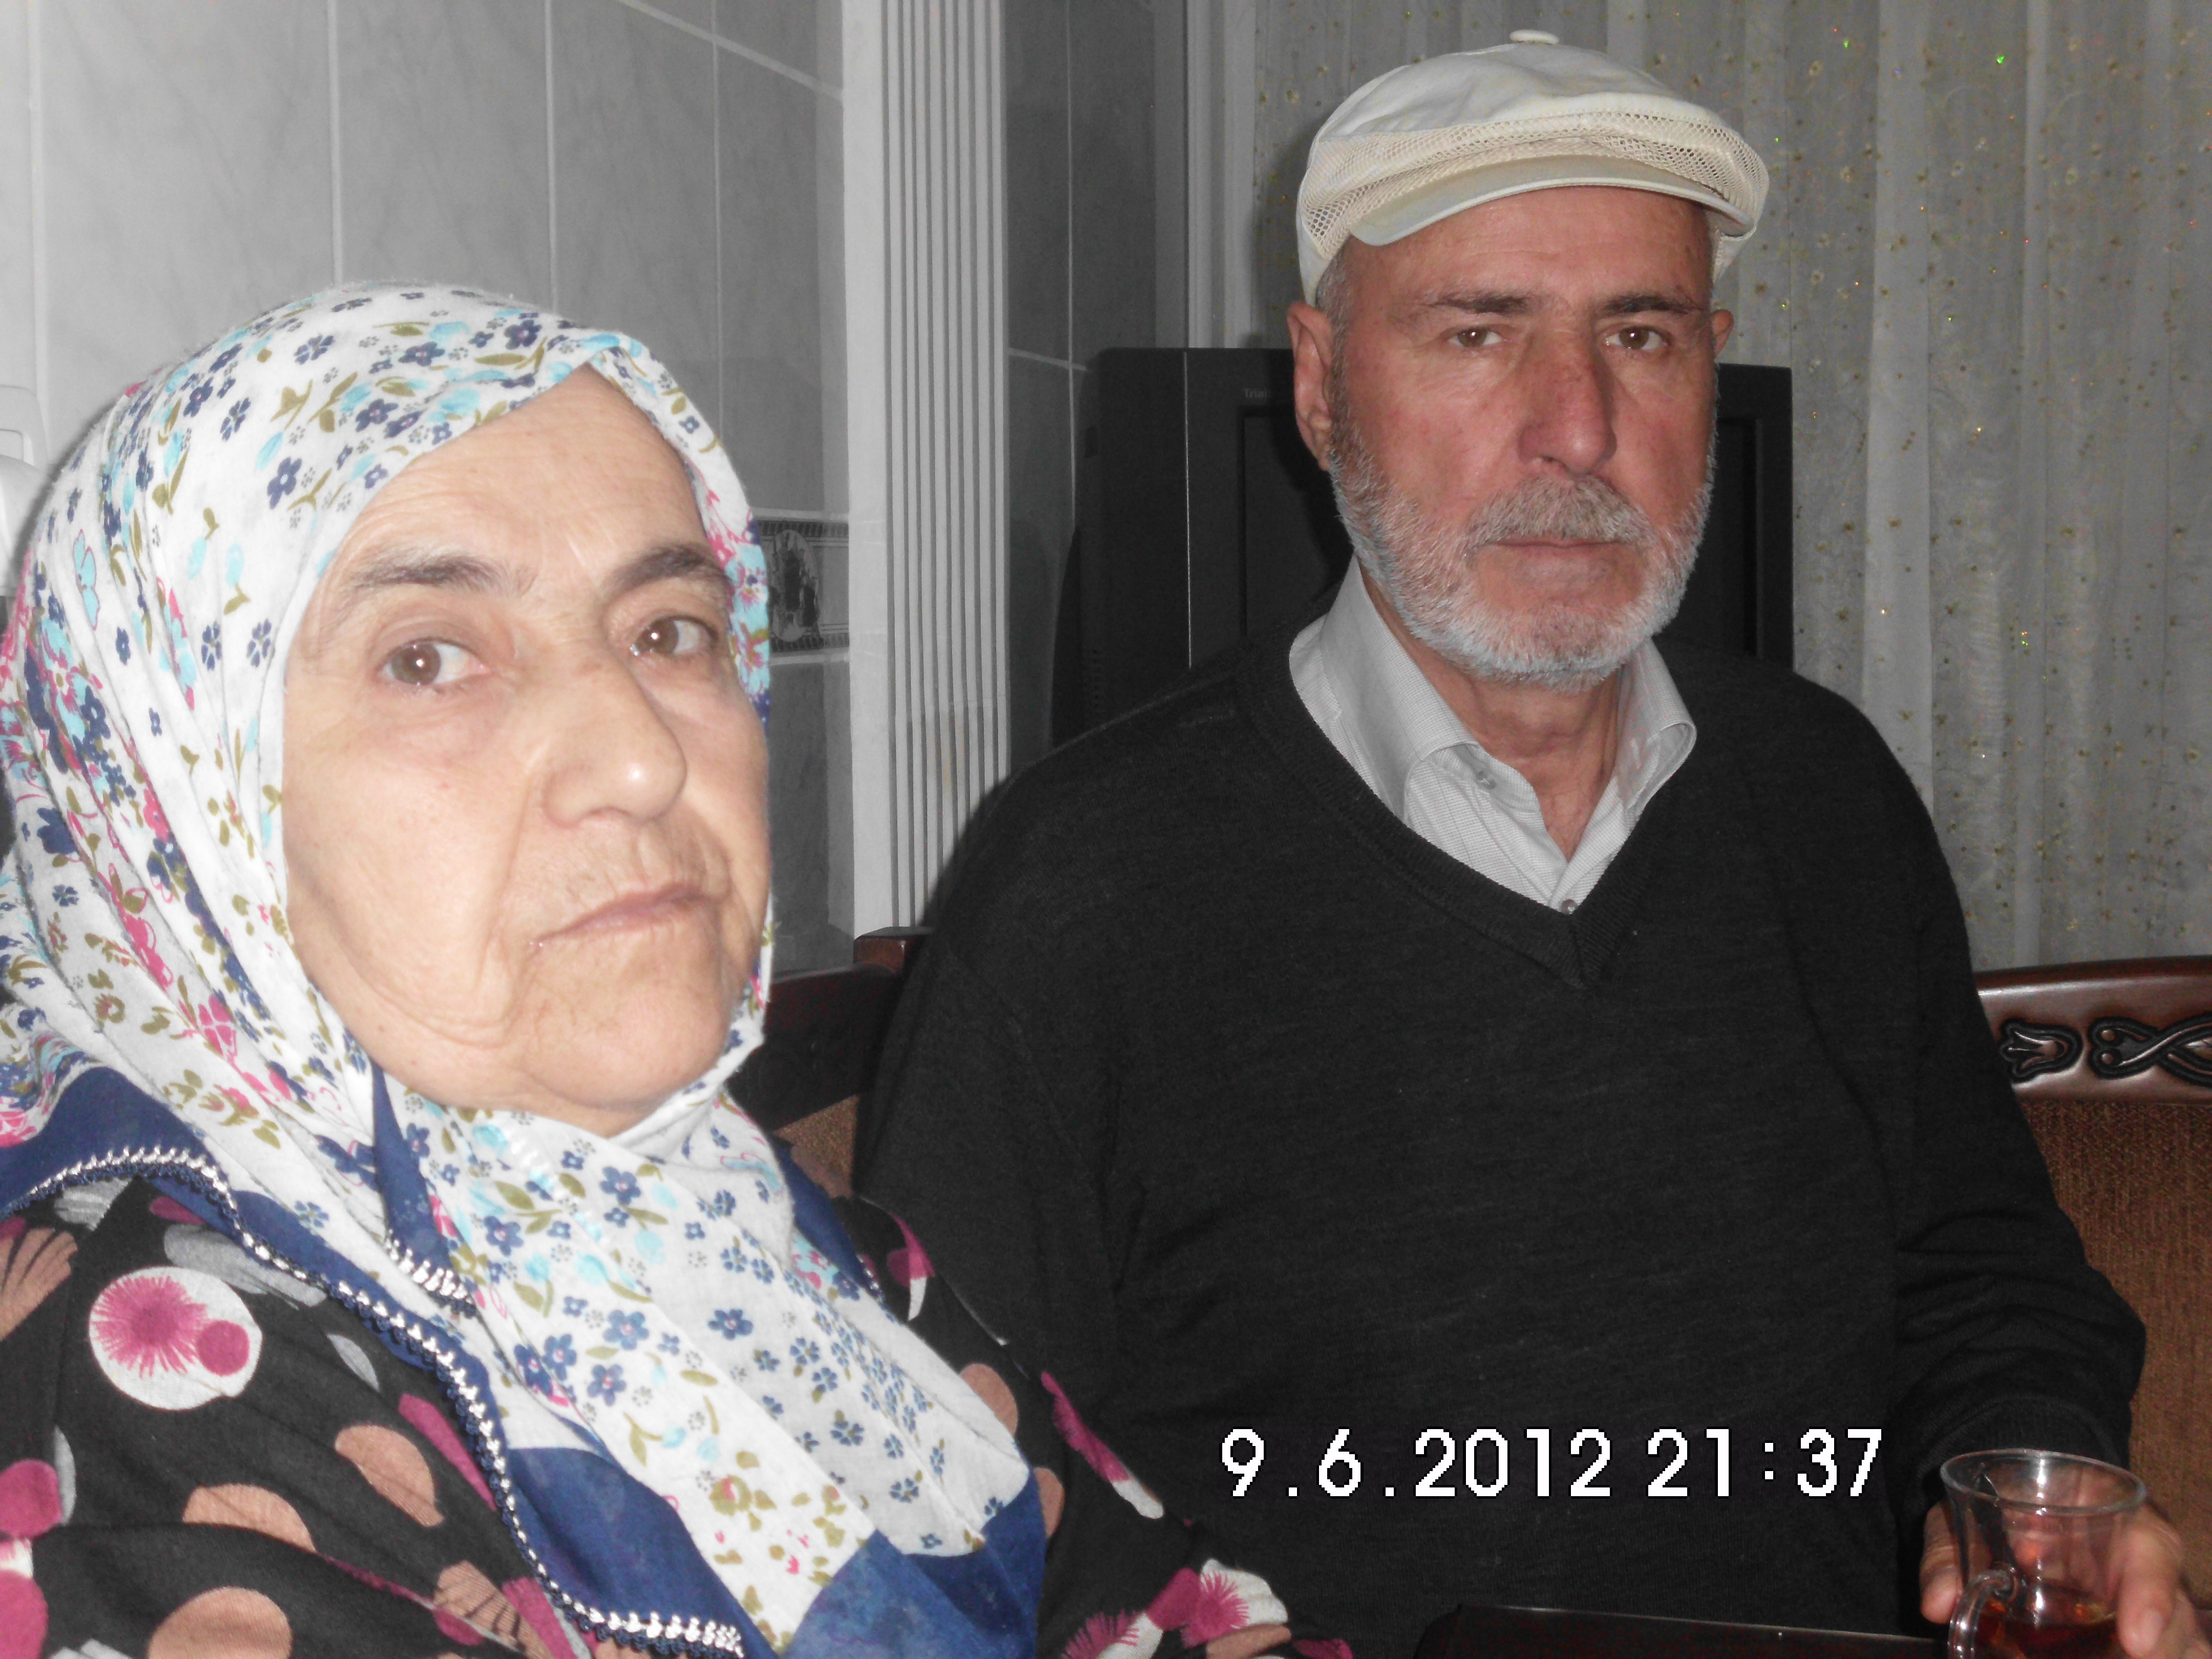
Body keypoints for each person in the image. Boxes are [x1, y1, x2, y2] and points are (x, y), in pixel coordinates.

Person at [856, 37, 2204, 1659]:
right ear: (1319, 383)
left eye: (1640, 334)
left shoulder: (1826, 797)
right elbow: (939, 1478)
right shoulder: (1083, 885)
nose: (1577, 429)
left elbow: (1983, 1270)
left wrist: (2040, 1489)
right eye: (1479, 332)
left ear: (1711, 373)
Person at [0, 284, 1338, 1659]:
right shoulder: (158, 1376)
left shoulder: (740, 1220)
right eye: (430, 658)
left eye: (667, 632)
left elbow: (1175, 1615)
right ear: (167, 800)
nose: (643, 758)